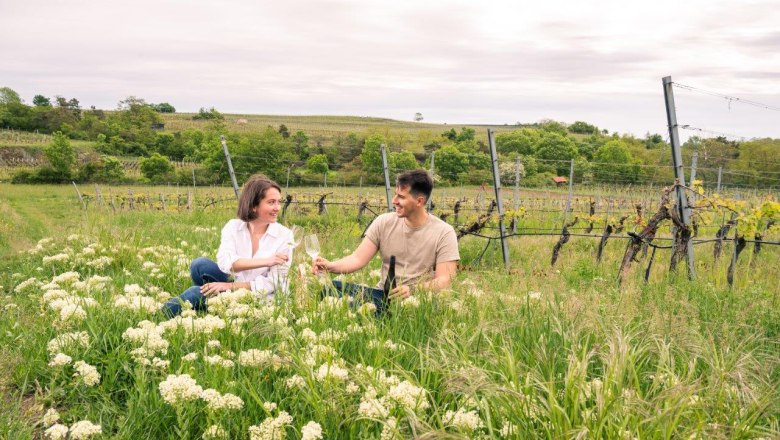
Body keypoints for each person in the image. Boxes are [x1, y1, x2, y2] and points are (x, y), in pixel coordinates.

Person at [313, 169, 459, 303]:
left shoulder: (444, 232)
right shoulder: (384, 222)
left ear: (419, 201)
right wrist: (330, 266)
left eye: (401, 197)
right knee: (330, 289)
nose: (394, 201)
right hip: (382, 294)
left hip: (415, 301)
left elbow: (444, 279)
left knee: (353, 307)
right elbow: (357, 258)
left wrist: (413, 290)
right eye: (395, 194)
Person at [162, 174, 294, 317]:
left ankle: (161, 313)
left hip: (261, 297)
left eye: (278, 202)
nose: (278, 208)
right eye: (271, 202)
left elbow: (273, 283)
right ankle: (214, 303)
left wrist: (228, 287)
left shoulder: (284, 235)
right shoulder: (234, 226)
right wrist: (266, 261)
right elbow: (225, 263)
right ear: (253, 206)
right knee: (199, 265)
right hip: (238, 280)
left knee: (195, 292)